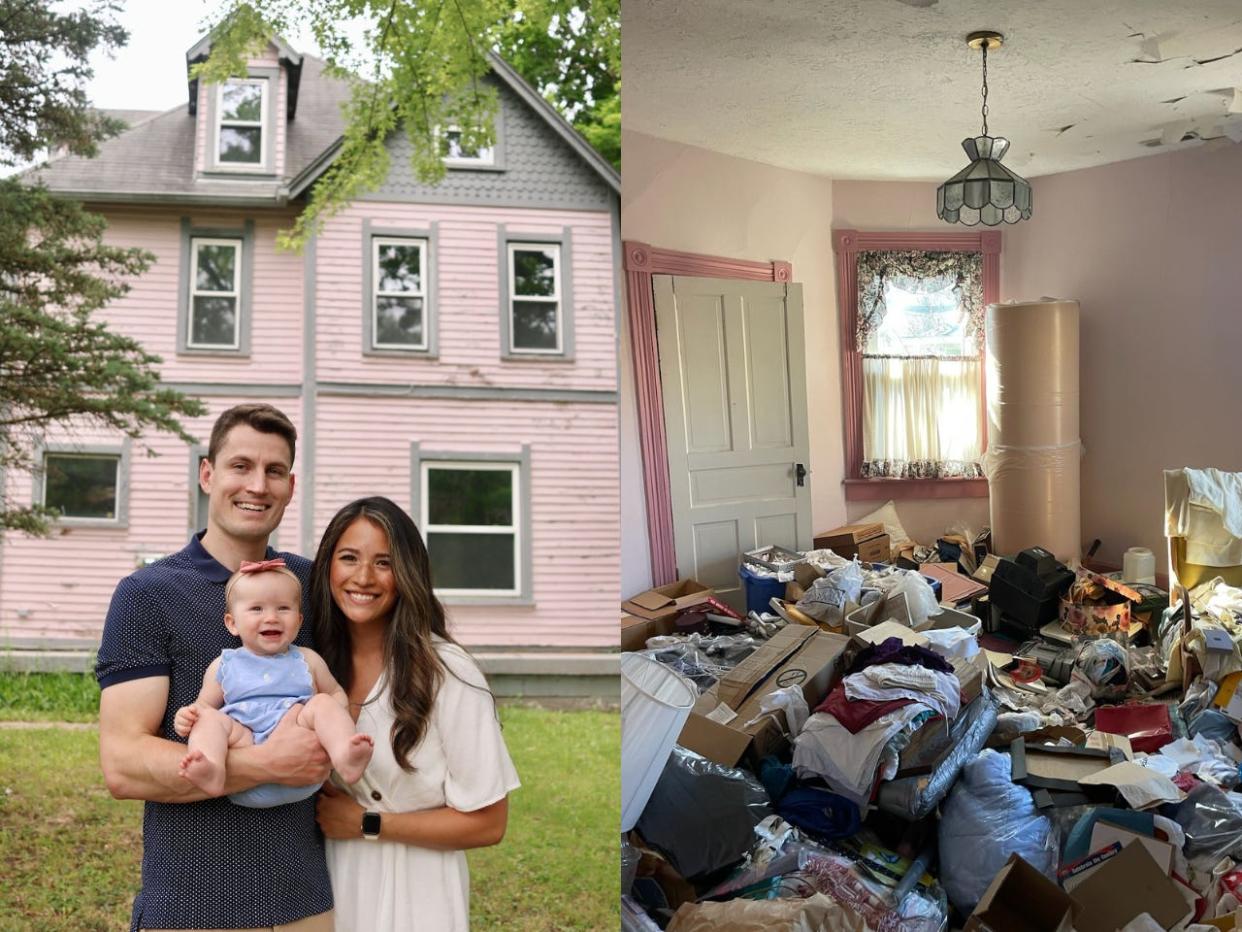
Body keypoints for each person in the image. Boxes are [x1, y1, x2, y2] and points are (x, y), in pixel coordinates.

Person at [96, 403, 335, 931]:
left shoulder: (311, 587)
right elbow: (123, 763)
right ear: (208, 474)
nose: (258, 484)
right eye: (241, 466)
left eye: (275, 471)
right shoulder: (148, 594)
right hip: (194, 905)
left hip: (308, 903)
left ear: (290, 486)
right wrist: (268, 764)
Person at [309, 496, 521, 931]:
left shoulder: (446, 671)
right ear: (328, 566)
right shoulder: (311, 668)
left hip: (420, 894)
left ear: (406, 573)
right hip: (332, 887)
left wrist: (368, 823)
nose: (363, 577)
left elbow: (488, 824)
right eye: (349, 558)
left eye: (384, 563)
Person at [174, 560, 374, 800]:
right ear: (232, 623)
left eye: (282, 608)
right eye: (257, 609)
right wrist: (188, 718)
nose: (271, 618)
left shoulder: (307, 660)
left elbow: (335, 694)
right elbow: (203, 707)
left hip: (301, 747)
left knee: (322, 702)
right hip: (244, 742)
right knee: (208, 719)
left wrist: (331, 721)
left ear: (299, 621)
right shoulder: (224, 665)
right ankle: (212, 769)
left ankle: (345, 758)